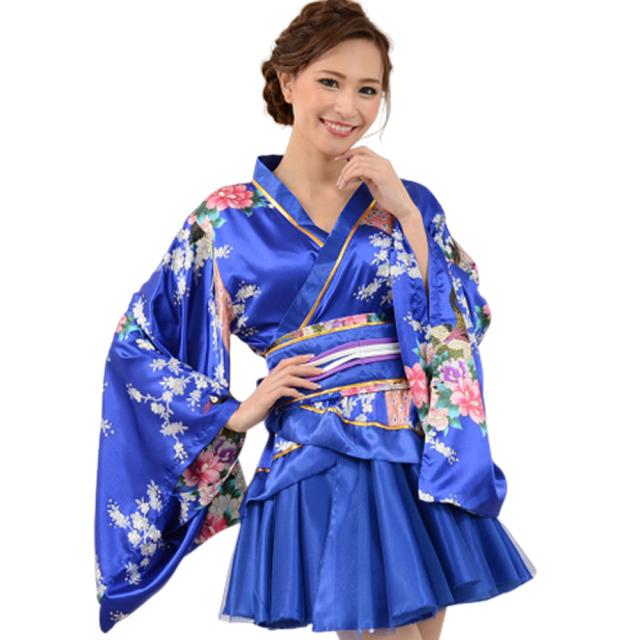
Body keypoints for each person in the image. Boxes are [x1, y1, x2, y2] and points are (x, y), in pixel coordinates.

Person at [94, 1, 536, 638]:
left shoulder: (405, 201)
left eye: (368, 90)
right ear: (287, 81)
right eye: (330, 81)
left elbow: (465, 317)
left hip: (412, 448)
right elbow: (137, 342)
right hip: (318, 447)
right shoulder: (226, 219)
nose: (348, 107)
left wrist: (408, 215)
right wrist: (234, 411)